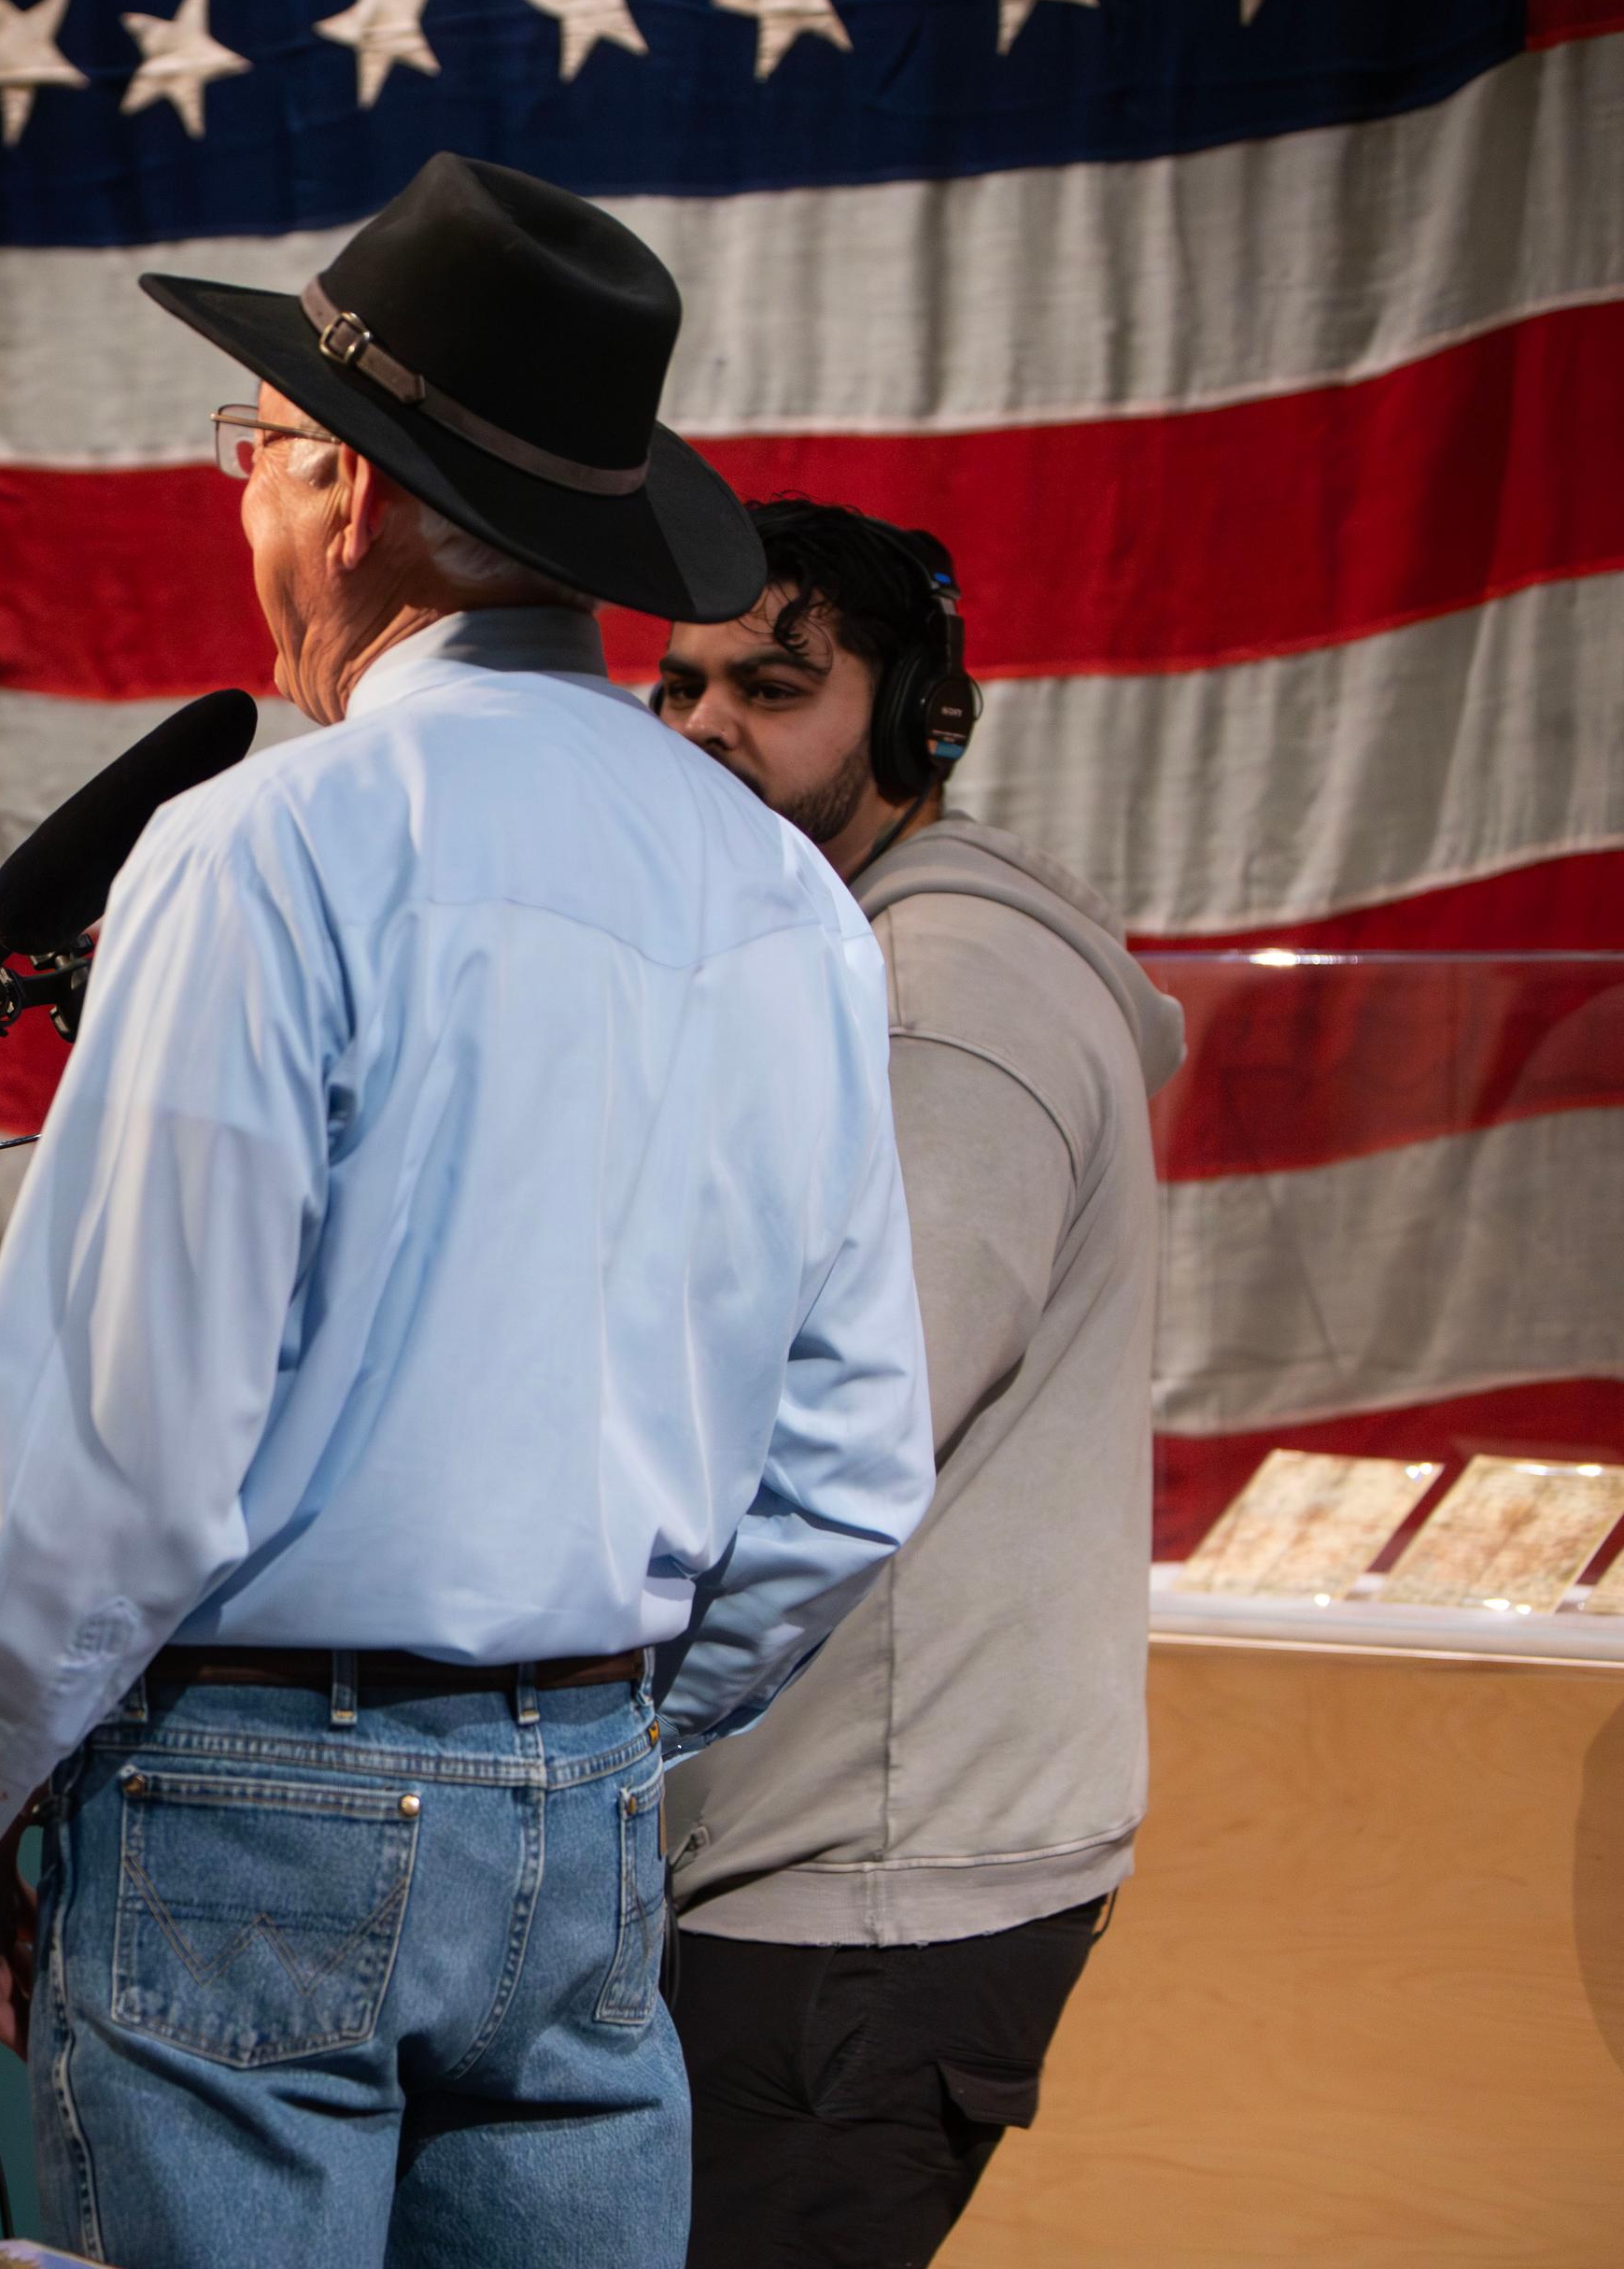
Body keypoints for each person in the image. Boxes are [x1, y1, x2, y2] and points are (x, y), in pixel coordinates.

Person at [0, 154, 938, 2269]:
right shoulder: (785, 903)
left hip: (246, 1800)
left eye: (251, 447)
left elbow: (128, 1451)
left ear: (343, 492)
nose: (243, 495)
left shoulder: (267, 847)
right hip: (585, 1807)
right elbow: (846, 1464)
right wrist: (589, 1722)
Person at [651, 499, 1183, 2266]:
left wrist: (617, 1731)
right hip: (832, 1874)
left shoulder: (934, 1000)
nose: (711, 724)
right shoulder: (849, 961)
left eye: (775, 686)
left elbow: (844, 1432)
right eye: (684, 683)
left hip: (856, 1899)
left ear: (916, 726)